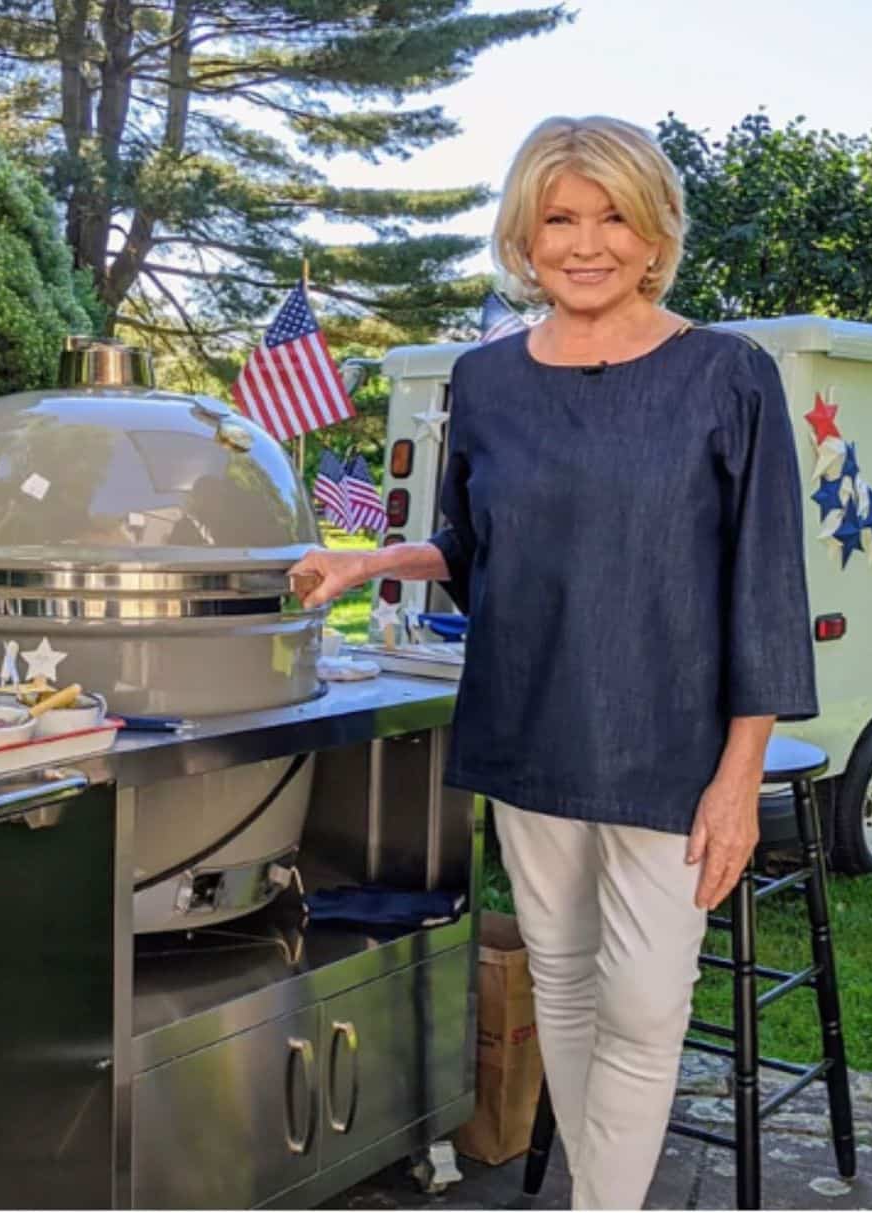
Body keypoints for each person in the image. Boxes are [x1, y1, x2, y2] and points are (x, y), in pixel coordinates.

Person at [288, 115, 817, 1210]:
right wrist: (379, 557)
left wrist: (737, 778)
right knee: (565, 983)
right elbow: (481, 554)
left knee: (647, 1003)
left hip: (672, 752)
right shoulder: (484, 384)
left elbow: (766, 587)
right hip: (529, 733)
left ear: (657, 229)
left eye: (613, 214)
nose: (586, 242)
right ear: (523, 240)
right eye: (558, 218)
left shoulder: (728, 374)